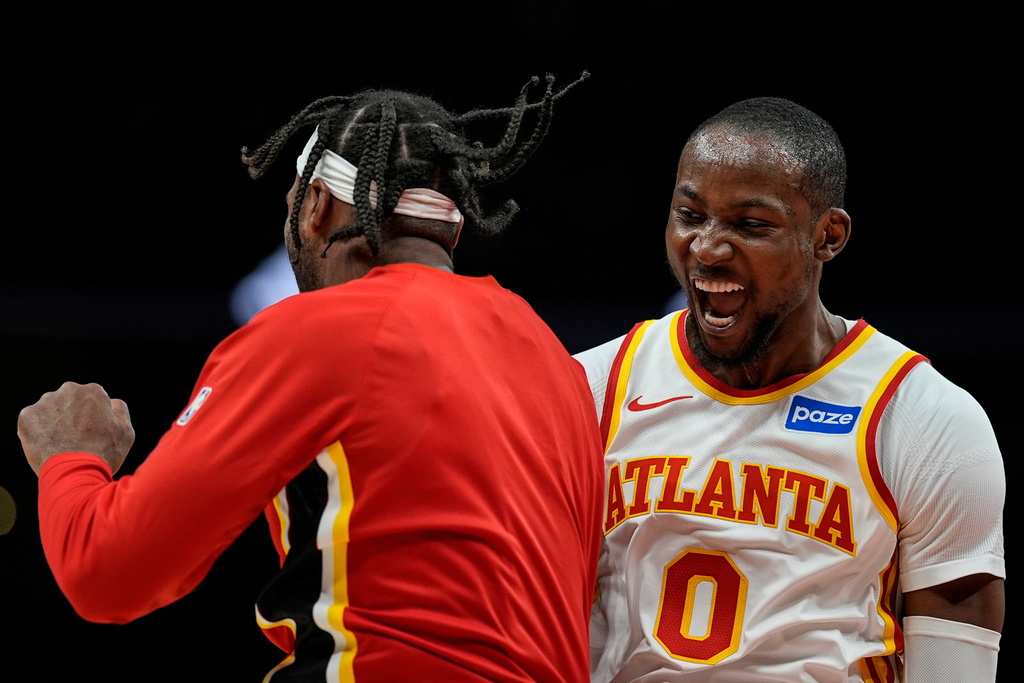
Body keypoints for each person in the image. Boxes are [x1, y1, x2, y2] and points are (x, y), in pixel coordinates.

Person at [17, 74, 605, 682]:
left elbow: (109, 574)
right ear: (451, 226)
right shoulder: (558, 365)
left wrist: (72, 459)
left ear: (318, 205)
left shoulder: (318, 330)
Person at [577, 97, 1004, 682]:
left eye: (750, 224)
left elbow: (957, 629)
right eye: (690, 215)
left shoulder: (923, 416)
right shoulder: (593, 387)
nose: (707, 247)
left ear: (827, 236)